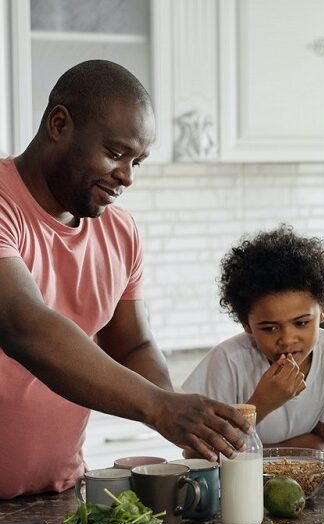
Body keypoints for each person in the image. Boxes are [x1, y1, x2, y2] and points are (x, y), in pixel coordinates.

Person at [0, 60, 250, 500]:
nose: (127, 176)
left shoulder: (119, 231)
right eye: (115, 154)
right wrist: (157, 407)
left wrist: (184, 422)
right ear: (59, 124)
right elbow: (22, 324)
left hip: (58, 496)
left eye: (137, 161)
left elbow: (132, 344)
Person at [182, 225, 324, 450]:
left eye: (301, 323)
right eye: (269, 328)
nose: (287, 339)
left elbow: (322, 440)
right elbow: (195, 452)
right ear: (246, 324)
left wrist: (257, 455)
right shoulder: (228, 361)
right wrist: (262, 404)